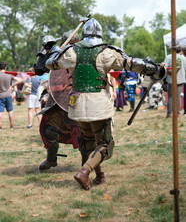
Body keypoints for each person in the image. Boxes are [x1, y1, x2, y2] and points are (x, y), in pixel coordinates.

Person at [46, 18, 166, 190]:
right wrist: (153, 68)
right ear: (100, 35)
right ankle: (84, 171)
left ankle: (100, 176)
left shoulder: (71, 52)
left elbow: (51, 64)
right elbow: (132, 63)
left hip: (77, 104)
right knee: (104, 144)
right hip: (97, 104)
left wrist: (55, 52)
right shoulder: (107, 52)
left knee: (88, 141)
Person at [34, 32, 80, 171]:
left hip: (81, 99)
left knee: (86, 132)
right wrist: (45, 52)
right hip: (60, 99)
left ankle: (88, 163)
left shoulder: (86, 54)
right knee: (50, 130)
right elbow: (40, 70)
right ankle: (51, 159)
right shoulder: (60, 55)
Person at [164, 44, 186, 118]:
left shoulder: (168, 57)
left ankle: (169, 114)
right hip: (180, 79)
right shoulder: (183, 58)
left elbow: (165, 68)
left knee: (170, 97)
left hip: (171, 79)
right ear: (180, 50)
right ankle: (178, 113)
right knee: (178, 97)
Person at [0, 62, 22, 130]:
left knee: (0, 112)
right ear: (5, 68)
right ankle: (12, 126)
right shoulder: (9, 76)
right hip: (8, 95)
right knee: (10, 111)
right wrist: (12, 86)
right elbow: (19, 80)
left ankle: (0, 127)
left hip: (0, 95)